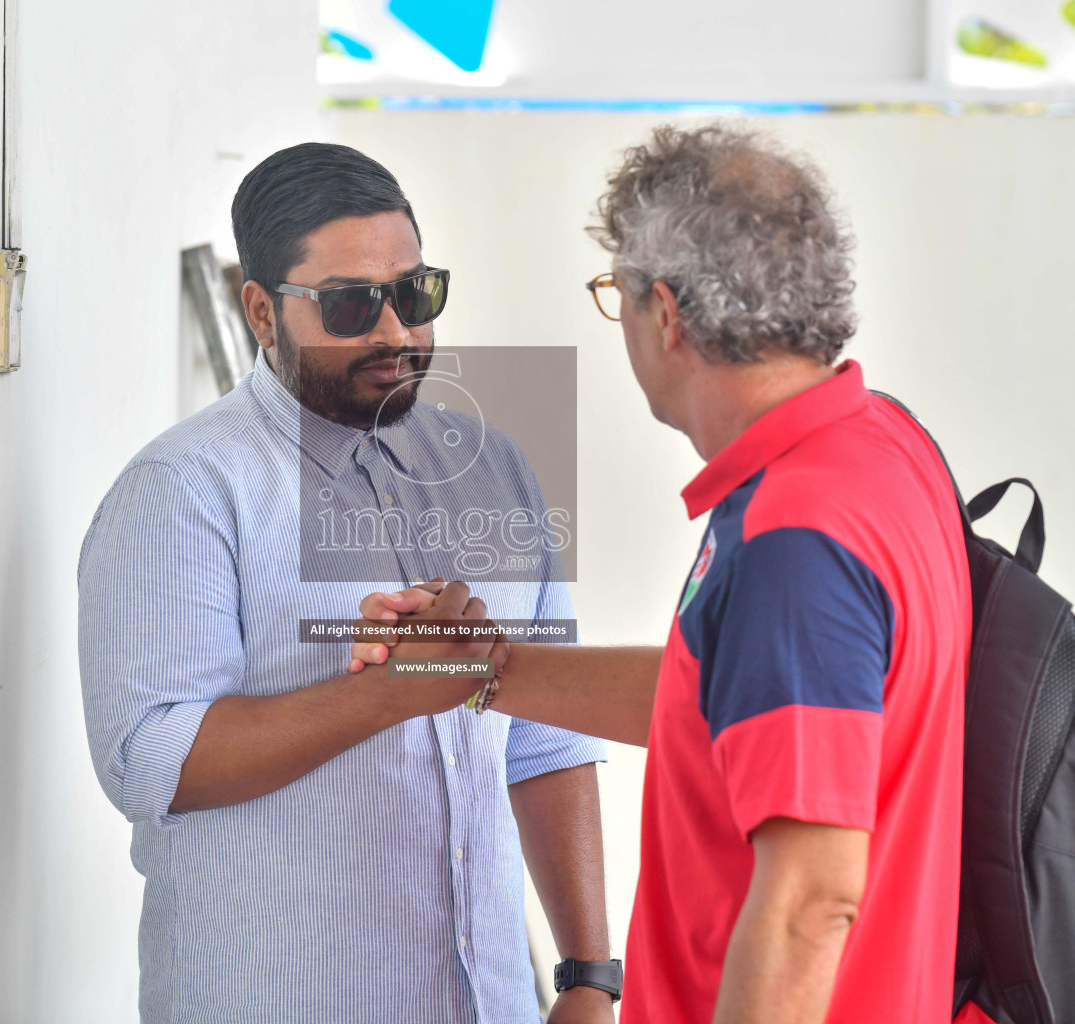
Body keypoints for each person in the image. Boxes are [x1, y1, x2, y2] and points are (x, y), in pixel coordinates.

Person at [352, 125, 972, 1023]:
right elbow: (732, 692)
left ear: (669, 314)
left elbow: (809, 905)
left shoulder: (796, 540)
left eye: (621, 297)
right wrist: (488, 668)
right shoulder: (880, 447)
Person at [77, 142, 615, 1024]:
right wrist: (389, 695)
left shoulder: (494, 469)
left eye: (414, 293)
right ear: (260, 310)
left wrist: (590, 974)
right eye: (352, 303)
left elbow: (546, 739)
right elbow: (148, 762)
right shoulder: (183, 491)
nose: (397, 331)